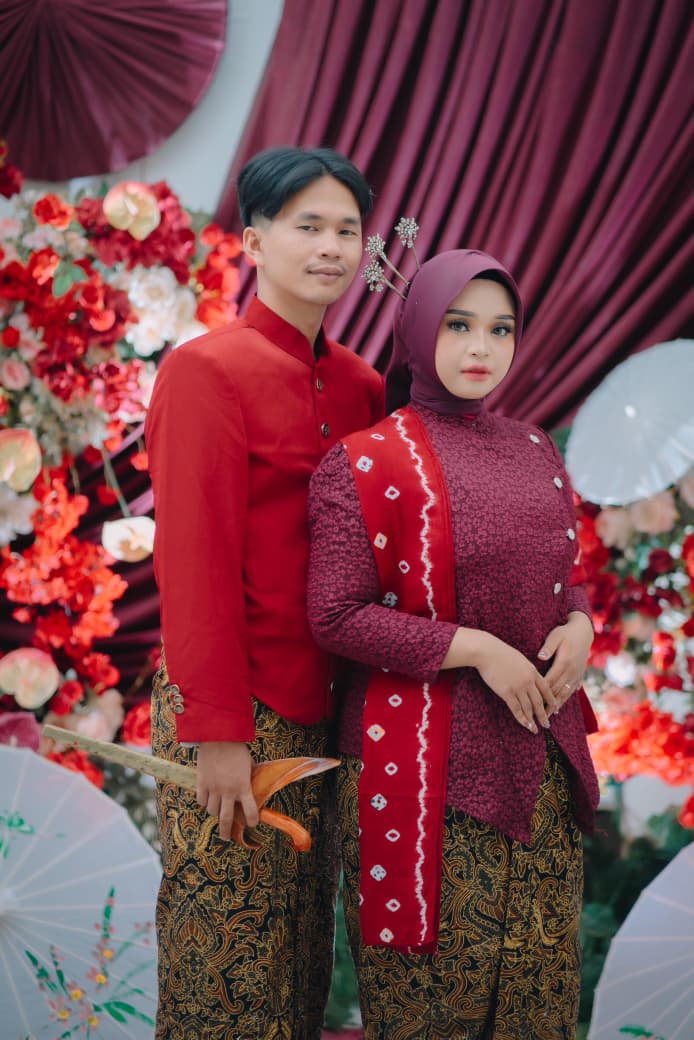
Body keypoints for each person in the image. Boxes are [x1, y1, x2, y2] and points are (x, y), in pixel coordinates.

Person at [307, 248, 600, 1039]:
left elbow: (563, 577)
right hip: (424, 775)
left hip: (538, 763)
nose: (481, 348)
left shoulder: (534, 448)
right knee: (432, 1011)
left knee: (539, 1006)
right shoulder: (367, 461)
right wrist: (476, 648)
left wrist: (581, 625)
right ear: (417, 329)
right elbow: (334, 615)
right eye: (459, 325)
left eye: (500, 330)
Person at [145, 146, 384, 1040]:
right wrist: (218, 733)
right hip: (236, 709)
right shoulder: (205, 370)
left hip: (331, 712)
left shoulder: (363, 386)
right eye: (307, 226)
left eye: (347, 230)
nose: (330, 247)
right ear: (253, 241)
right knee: (224, 967)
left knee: (299, 962)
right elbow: (194, 562)